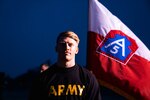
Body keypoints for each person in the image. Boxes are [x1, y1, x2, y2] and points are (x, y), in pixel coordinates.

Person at [29, 31, 102, 100]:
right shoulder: (43, 79)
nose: (67, 47)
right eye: (63, 44)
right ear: (56, 48)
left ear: (77, 50)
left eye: (70, 45)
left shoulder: (88, 78)